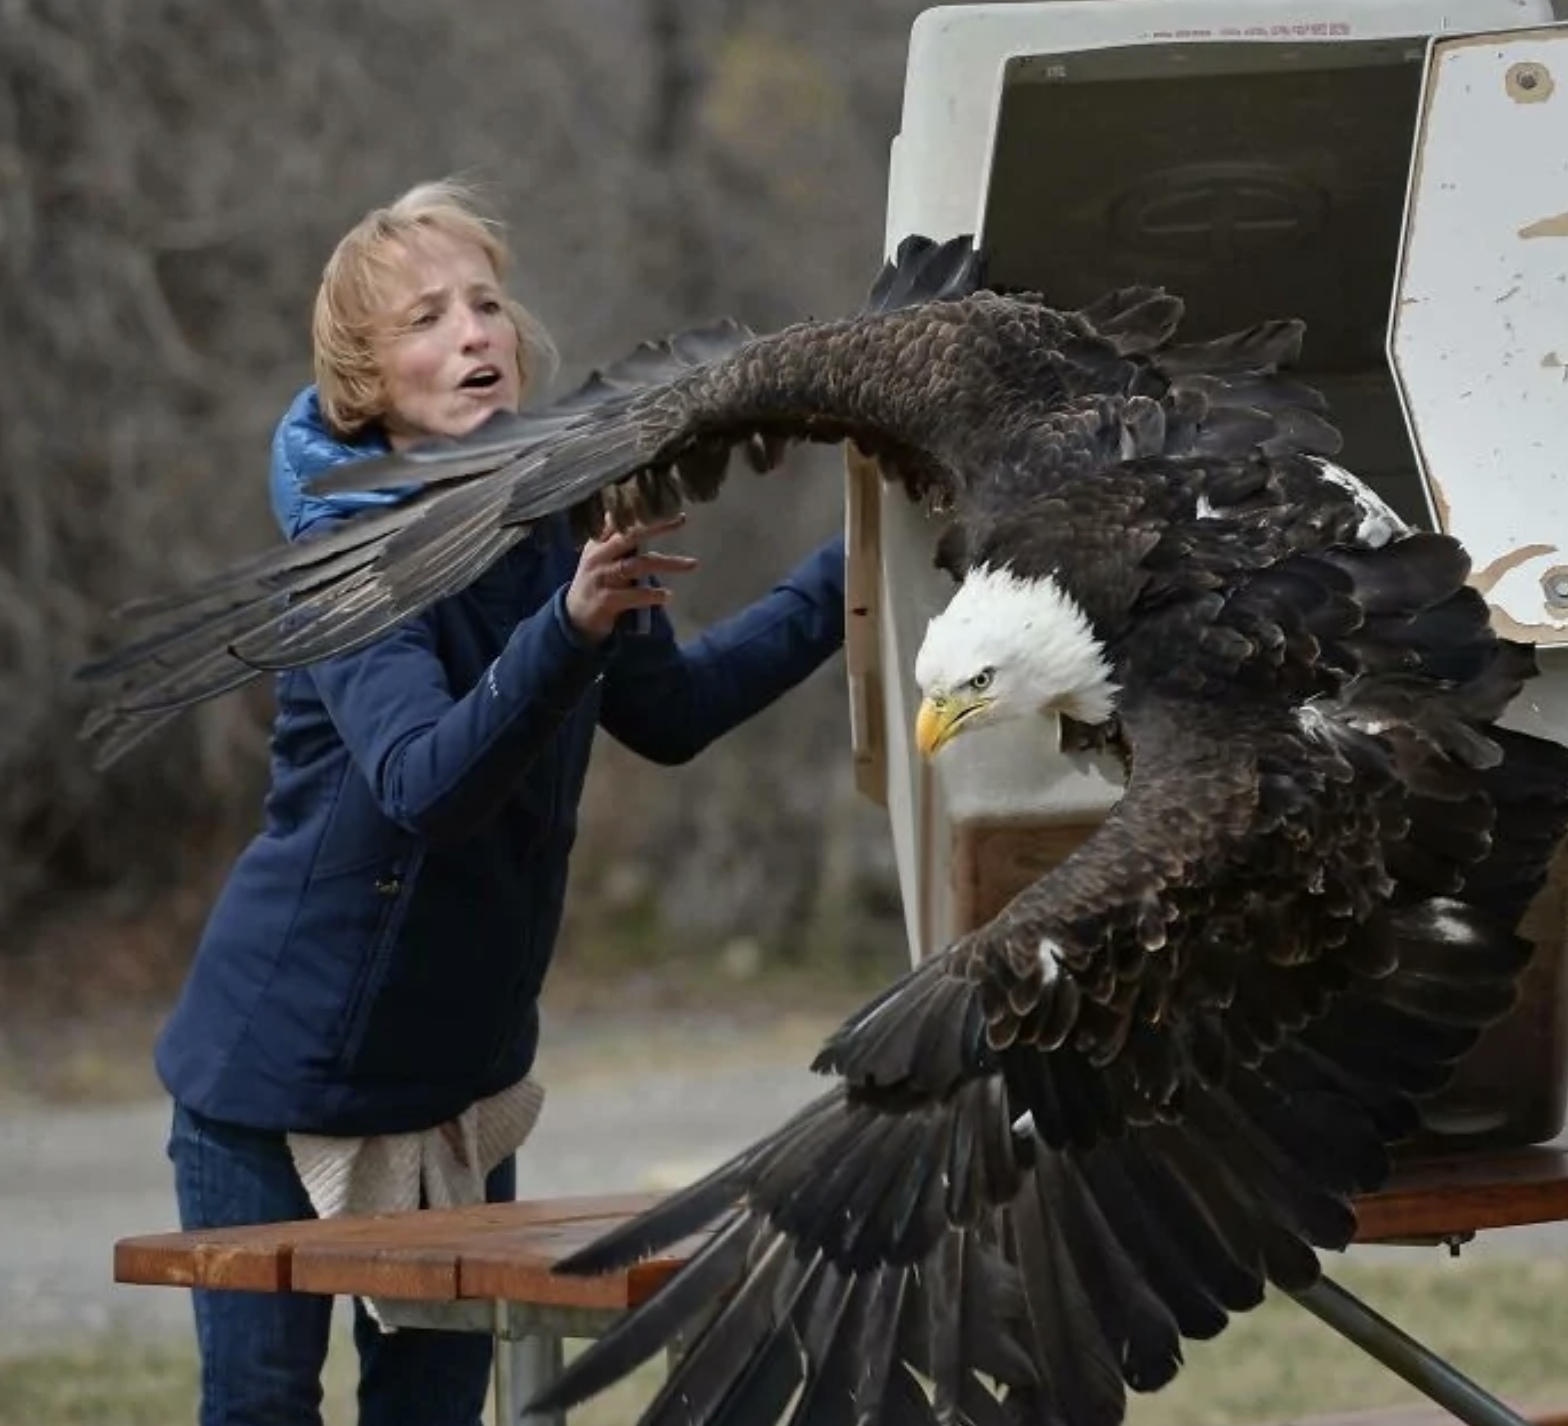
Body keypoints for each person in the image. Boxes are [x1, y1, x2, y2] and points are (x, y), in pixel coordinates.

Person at [155, 178, 847, 1426]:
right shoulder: (345, 556)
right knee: (261, 1413)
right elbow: (427, 785)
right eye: (426, 317)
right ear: (365, 376)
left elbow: (670, 714)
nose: (474, 331)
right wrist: (569, 627)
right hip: (274, 1086)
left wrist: (849, 572)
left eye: (485, 303)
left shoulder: (559, 517)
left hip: (460, 1094)